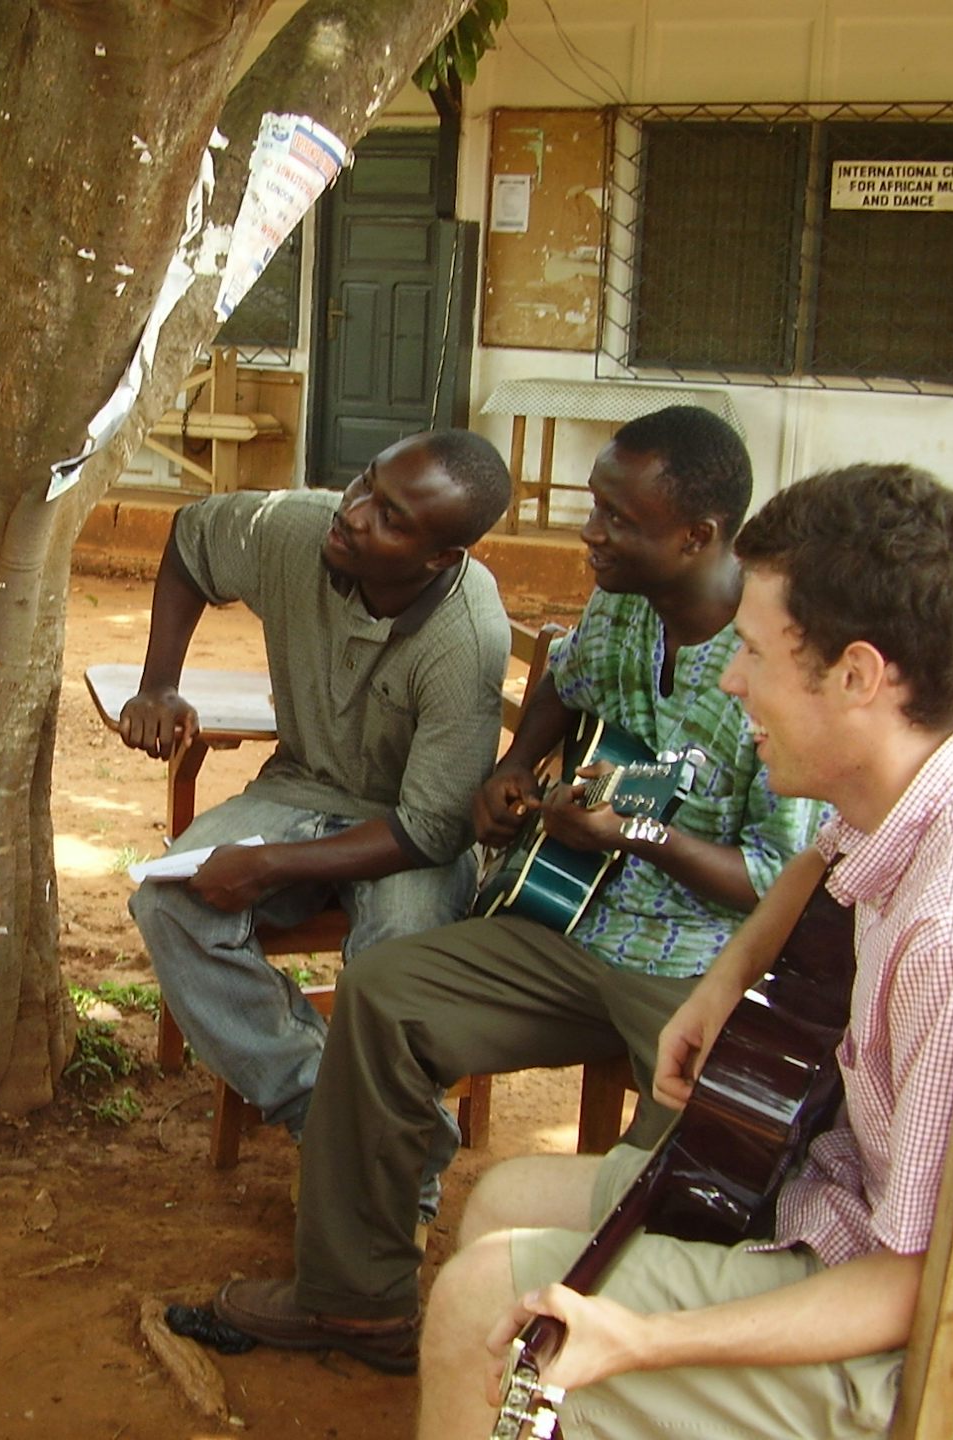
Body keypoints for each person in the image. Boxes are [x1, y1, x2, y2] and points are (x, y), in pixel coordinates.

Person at [416, 463, 953, 1439]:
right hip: (852, 1208)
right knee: (507, 1202)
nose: (732, 681)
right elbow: (820, 858)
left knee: (485, 1301)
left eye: (758, 654)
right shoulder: (942, 772)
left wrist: (639, 1342)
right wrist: (722, 986)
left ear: (857, 676)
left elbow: (934, 1284)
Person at [211, 405, 825, 1372]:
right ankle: (354, 1299)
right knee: (386, 994)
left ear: (696, 538)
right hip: (571, 922)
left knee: (692, 1155)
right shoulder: (625, 599)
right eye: (597, 508)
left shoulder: (776, 657)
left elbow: (775, 876)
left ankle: (620, 1364)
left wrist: (638, 833)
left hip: (698, 973)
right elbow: (567, 679)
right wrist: (517, 764)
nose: (592, 533)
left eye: (619, 520)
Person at [120, 429, 514, 1169]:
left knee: (395, 969)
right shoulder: (301, 531)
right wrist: (159, 684)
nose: (356, 512)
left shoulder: (467, 636)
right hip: (301, 785)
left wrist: (270, 867)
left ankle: (374, 1168)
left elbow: (430, 829)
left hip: (411, 832)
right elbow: (191, 541)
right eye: (365, 482)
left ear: (439, 558)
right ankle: (334, 1114)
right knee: (170, 903)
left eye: (392, 518)